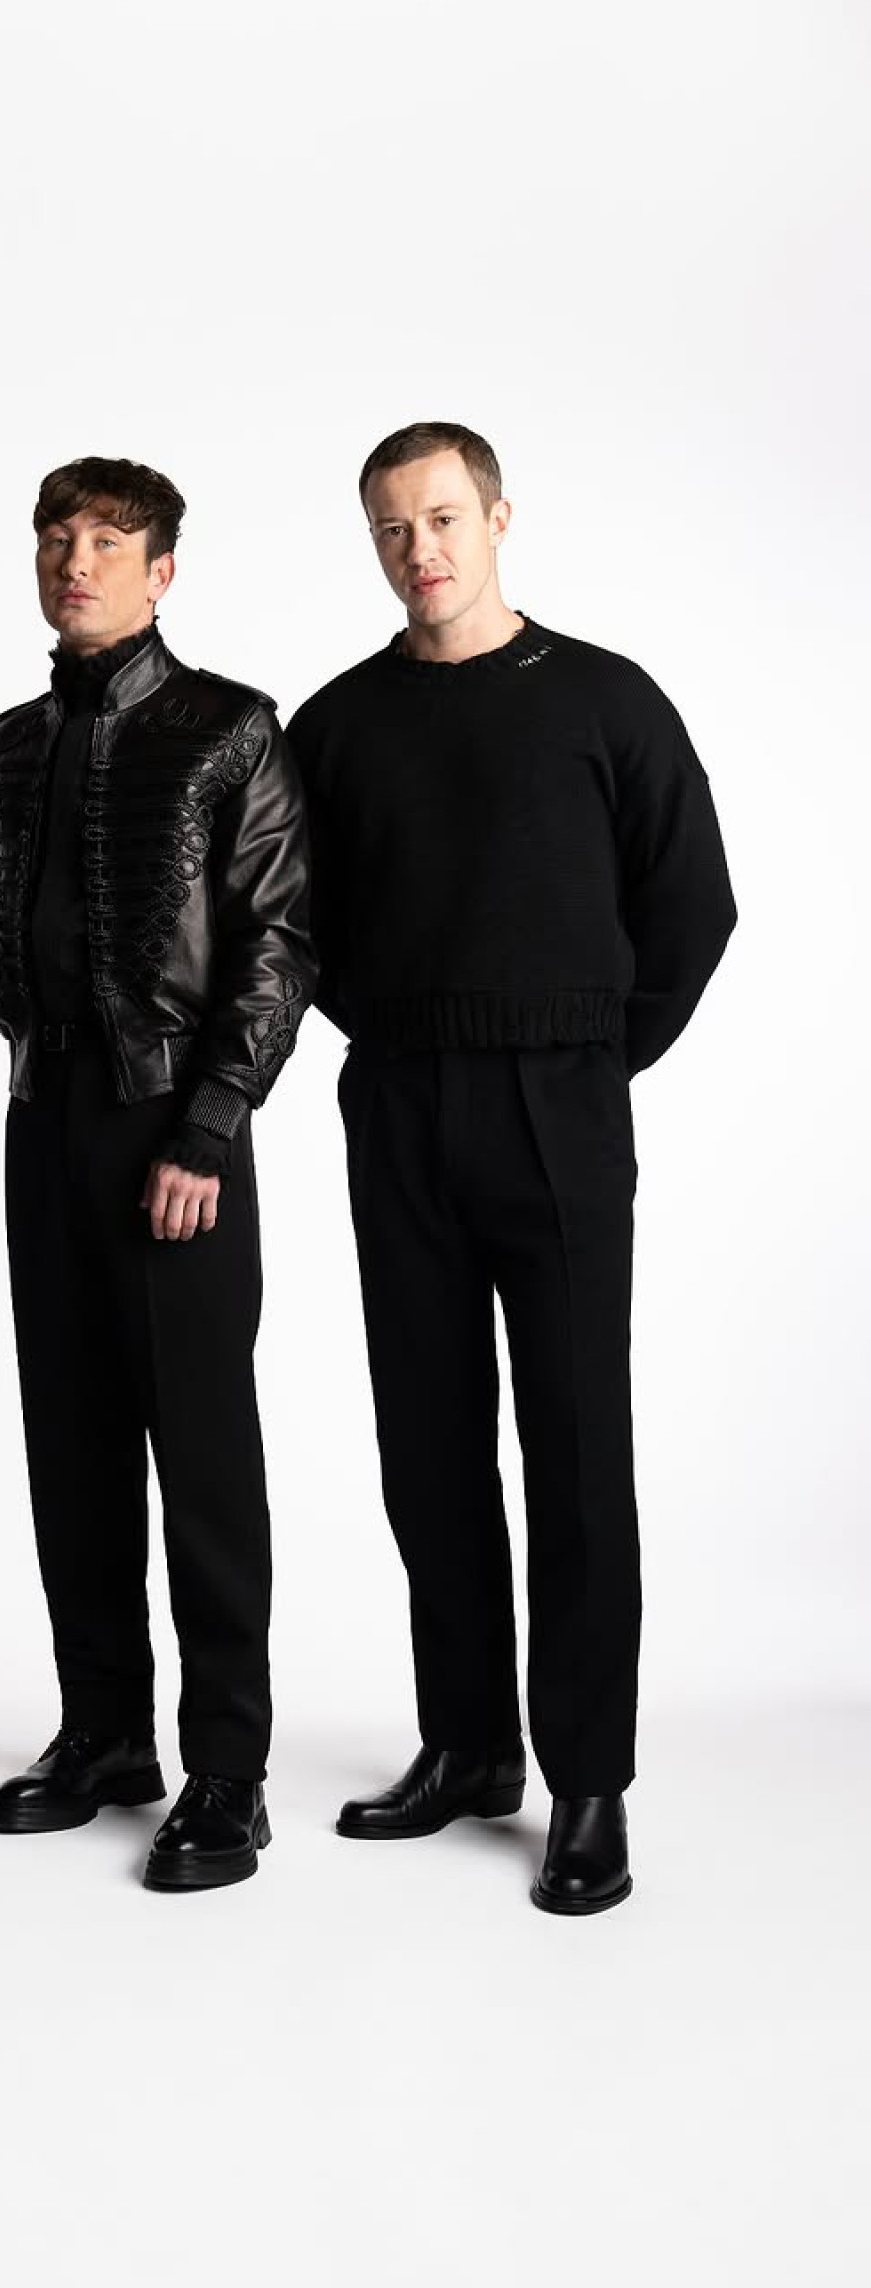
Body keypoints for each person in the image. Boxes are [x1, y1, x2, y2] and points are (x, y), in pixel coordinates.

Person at [286, 420, 736, 1915]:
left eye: (441, 518)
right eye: (391, 528)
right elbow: (299, 929)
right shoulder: (338, 724)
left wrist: (590, 1058)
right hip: (400, 1105)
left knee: (577, 1451)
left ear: (497, 519)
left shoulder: (606, 698)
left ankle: (588, 1781)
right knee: (427, 1444)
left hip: (561, 1107)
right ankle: (469, 1745)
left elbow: (694, 904)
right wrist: (411, 1038)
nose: (418, 550)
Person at [0, 456, 315, 1893]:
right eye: (58, 537)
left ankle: (229, 1769)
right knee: (72, 1441)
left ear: (161, 572)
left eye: (109, 541)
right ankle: (106, 1733)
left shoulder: (231, 728)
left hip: (176, 1132)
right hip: (43, 1121)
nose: (77, 560)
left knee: (203, 1453)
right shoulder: (8, 745)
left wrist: (209, 1124)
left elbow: (278, 943)